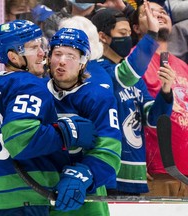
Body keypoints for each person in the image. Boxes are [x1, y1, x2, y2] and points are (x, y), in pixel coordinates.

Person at [0, 20, 96, 215]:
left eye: (41, 45)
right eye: (34, 48)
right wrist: (66, 134)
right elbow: (20, 140)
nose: (43, 53)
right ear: (13, 57)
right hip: (21, 196)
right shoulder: (29, 85)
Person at [91, 3, 175, 195]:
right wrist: (152, 35)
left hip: (135, 175)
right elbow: (126, 74)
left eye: (129, 33)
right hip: (109, 174)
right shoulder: (97, 71)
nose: (128, 38)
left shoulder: (135, 81)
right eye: (122, 33)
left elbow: (152, 119)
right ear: (102, 37)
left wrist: (166, 91)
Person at [47, 27, 122, 215]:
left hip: (85, 199)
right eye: (57, 54)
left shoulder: (98, 96)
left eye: (71, 56)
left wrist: (84, 175)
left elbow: (110, 148)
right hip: (41, 193)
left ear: (83, 63)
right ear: (48, 58)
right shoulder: (35, 92)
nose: (62, 61)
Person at [131, 1, 188, 197]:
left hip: (185, 172)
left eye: (163, 12)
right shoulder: (134, 63)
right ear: (136, 28)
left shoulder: (182, 65)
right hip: (156, 173)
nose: (160, 15)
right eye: (150, 13)